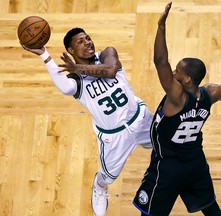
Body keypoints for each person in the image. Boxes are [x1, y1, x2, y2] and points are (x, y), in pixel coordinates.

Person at [133, 2, 221, 216]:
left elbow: (160, 61)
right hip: (194, 163)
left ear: (187, 79)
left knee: (149, 213)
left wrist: (161, 27)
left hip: (167, 166)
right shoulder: (210, 94)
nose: (173, 71)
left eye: (177, 70)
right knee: (211, 210)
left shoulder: (177, 97)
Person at [21, 28, 153, 216]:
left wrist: (78, 68)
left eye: (88, 38)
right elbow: (66, 88)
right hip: (113, 137)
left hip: (140, 119)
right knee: (108, 177)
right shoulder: (76, 80)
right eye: (80, 42)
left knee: (168, 142)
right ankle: (99, 187)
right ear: (71, 51)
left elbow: (110, 71)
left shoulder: (108, 54)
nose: (88, 42)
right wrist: (44, 55)